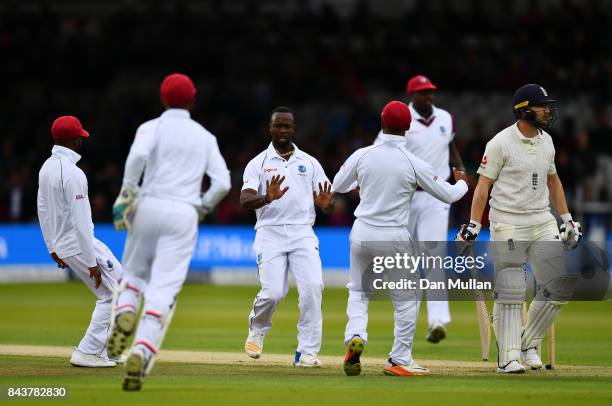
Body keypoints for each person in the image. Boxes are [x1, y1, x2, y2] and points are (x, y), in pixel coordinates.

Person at [107, 73, 231, 390]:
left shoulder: (151, 127)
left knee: (133, 274)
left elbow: (137, 157)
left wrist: (128, 191)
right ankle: (142, 350)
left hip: (147, 206)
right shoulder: (205, 136)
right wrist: (201, 207)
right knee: (164, 288)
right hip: (183, 212)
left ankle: (124, 310)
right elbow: (223, 183)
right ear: (193, 100)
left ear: (163, 99)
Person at [333, 101, 468, 377]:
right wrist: (463, 181)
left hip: (361, 232)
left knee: (359, 291)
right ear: (408, 127)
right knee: (407, 297)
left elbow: (337, 186)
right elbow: (450, 195)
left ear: (381, 124)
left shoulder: (363, 154)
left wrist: (361, 182)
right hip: (393, 235)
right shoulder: (413, 162)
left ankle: (355, 337)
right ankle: (399, 359)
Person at [456, 84, 582, 373]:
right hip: (507, 221)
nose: (548, 110)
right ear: (524, 110)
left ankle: (528, 343)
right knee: (512, 290)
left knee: (558, 286)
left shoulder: (547, 141)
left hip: (541, 220)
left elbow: (554, 181)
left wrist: (567, 219)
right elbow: (482, 187)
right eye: (542, 106)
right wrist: (475, 225)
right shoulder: (500, 143)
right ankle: (509, 357)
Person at [374, 75, 465, 344]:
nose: (428, 97)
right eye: (423, 93)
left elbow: (451, 146)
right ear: (412, 95)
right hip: (405, 197)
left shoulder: (446, 118)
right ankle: (407, 319)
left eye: (431, 92)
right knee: (405, 260)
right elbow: (379, 154)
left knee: (433, 255)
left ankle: (437, 320)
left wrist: (459, 170)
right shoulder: (400, 119)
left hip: (436, 195)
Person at [241, 106, 334, 367]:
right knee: (273, 292)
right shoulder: (258, 163)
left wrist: (327, 205)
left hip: (303, 232)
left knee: (313, 288)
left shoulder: (310, 162)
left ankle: (306, 352)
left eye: (287, 126)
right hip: (269, 233)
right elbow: (245, 199)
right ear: (269, 128)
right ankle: (258, 328)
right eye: (278, 126)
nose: (282, 130)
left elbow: (328, 200)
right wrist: (266, 198)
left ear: (294, 129)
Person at [37, 115, 124, 368]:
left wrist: (51, 247)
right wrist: (91, 262)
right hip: (79, 244)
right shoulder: (73, 173)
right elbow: (82, 222)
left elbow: (42, 209)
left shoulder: (46, 167)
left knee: (121, 288)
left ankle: (108, 350)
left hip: (67, 244)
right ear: (76, 140)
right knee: (114, 295)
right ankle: (88, 351)